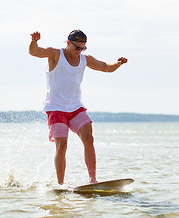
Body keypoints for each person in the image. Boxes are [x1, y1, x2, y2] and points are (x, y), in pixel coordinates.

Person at [29, 30, 127, 185]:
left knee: (88, 138)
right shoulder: (55, 54)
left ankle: (93, 180)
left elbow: (105, 67)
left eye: (83, 48)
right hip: (56, 108)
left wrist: (118, 63)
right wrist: (34, 40)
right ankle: (60, 184)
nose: (79, 51)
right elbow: (34, 52)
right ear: (68, 43)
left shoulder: (84, 60)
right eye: (77, 47)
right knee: (62, 145)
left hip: (75, 107)